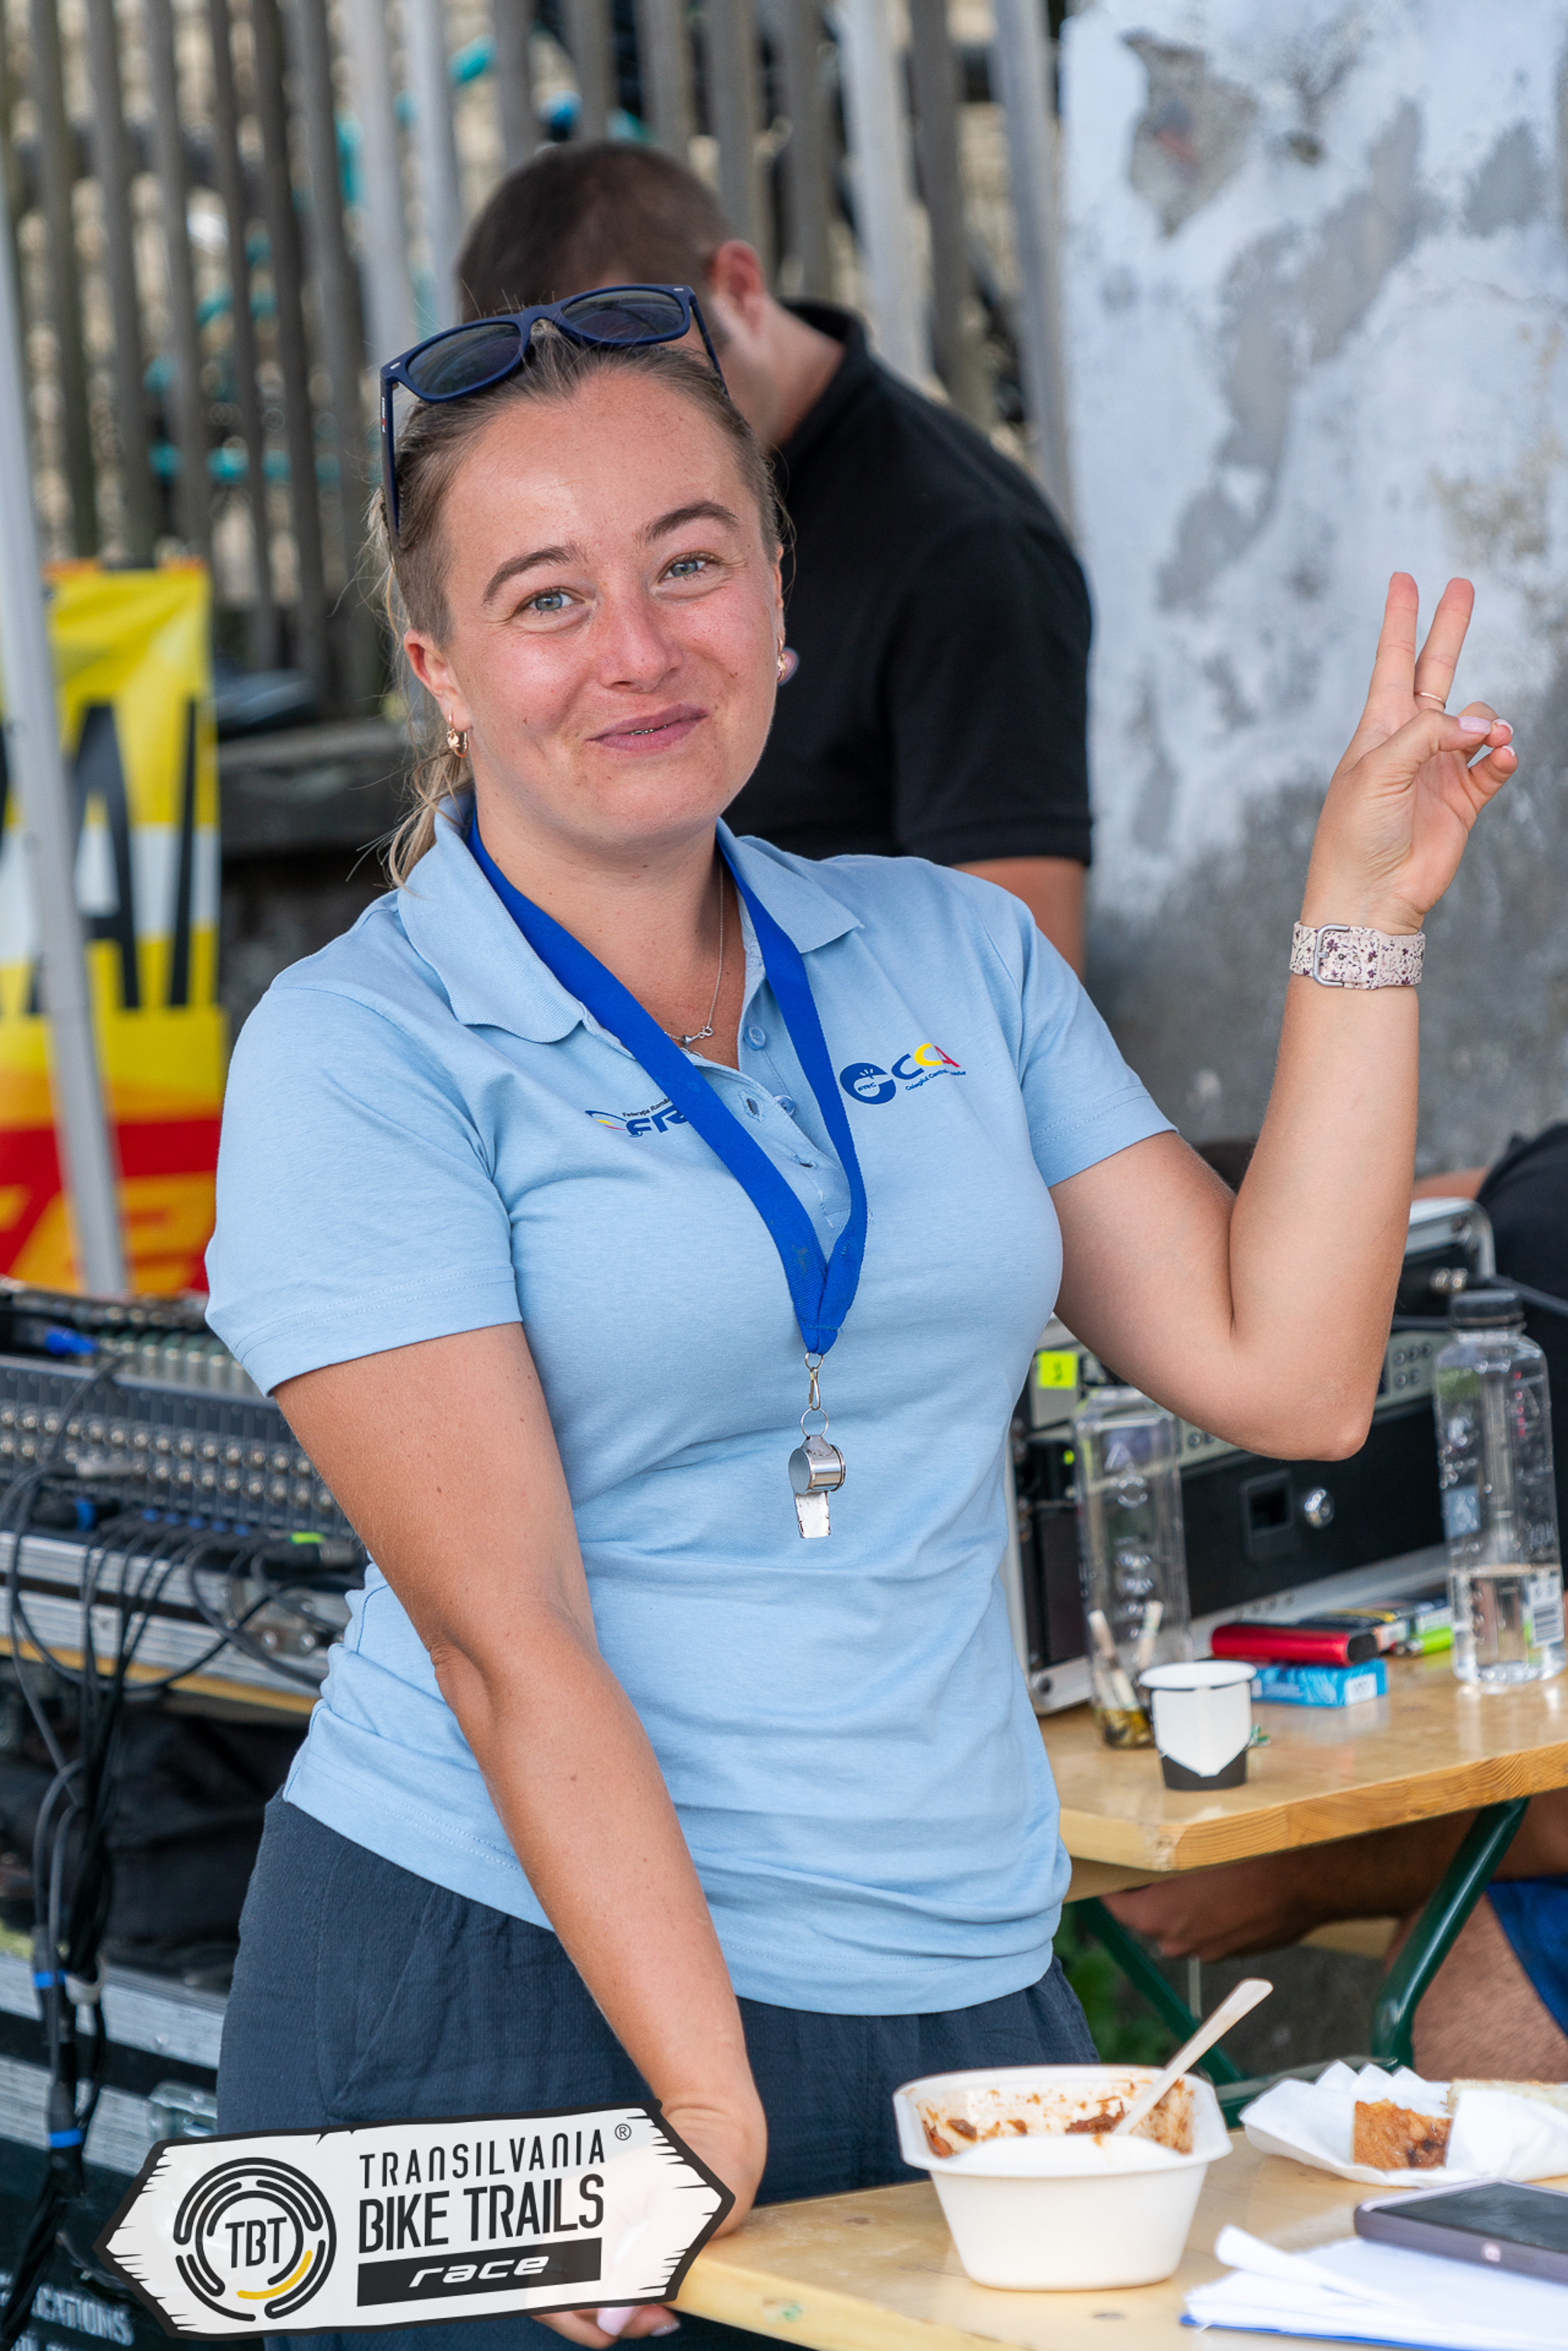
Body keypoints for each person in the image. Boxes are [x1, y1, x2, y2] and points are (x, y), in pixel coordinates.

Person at [205, 286, 1514, 2351]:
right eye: (547, 597)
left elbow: (1288, 1367)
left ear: (778, 591)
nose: (638, 647)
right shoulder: (358, 1046)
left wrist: (1363, 911)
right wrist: (700, 2088)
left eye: (689, 562)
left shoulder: (946, 951)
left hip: (956, 1978)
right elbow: (502, 1630)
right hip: (503, 1992)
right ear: (439, 665)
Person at [454, 142, 1093, 970]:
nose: (636, 656)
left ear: (740, 287)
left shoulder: (965, 551)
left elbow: (1020, 974)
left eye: (689, 566)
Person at [1110, 1127, 1568, 2080]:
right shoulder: (1517, 1208)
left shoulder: (1530, 1352)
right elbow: (1451, 1196)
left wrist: (1305, 1878)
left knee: (1461, 1998)